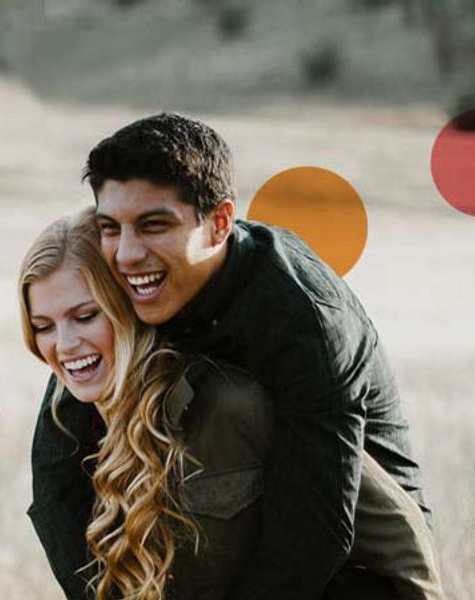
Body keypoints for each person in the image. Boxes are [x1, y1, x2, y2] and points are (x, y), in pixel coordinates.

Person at [46, 112, 429, 598]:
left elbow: (317, 532)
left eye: (153, 225)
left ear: (220, 223)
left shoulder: (303, 319)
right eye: (110, 227)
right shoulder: (127, 287)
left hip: (363, 571)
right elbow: (57, 469)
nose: (126, 254)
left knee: (231, 403)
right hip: (237, 540)